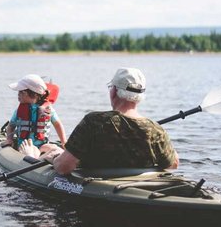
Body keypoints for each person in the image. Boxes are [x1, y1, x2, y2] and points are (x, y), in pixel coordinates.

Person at [21, 67, 179, 175]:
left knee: (52, 152)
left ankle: (32, 154)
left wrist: (51, 158)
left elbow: (64, 168)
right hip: (138, 186)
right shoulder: (156, 129)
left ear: (114, 92)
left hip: (94, 185)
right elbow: (173, 164)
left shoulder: (94, 121)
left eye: (111, 87)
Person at [3, 74, 67, 153]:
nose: (18, 94)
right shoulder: (19, 111)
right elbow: (11, 126)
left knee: (52, 147)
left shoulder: (48, 110)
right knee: (34, 151)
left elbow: (58, 125)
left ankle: (60, 158)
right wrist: (9, 139)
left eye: (21, 92)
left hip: (42, 145)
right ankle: (40, 158)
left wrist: (64, 142)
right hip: (25, 146)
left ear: (33, 94)